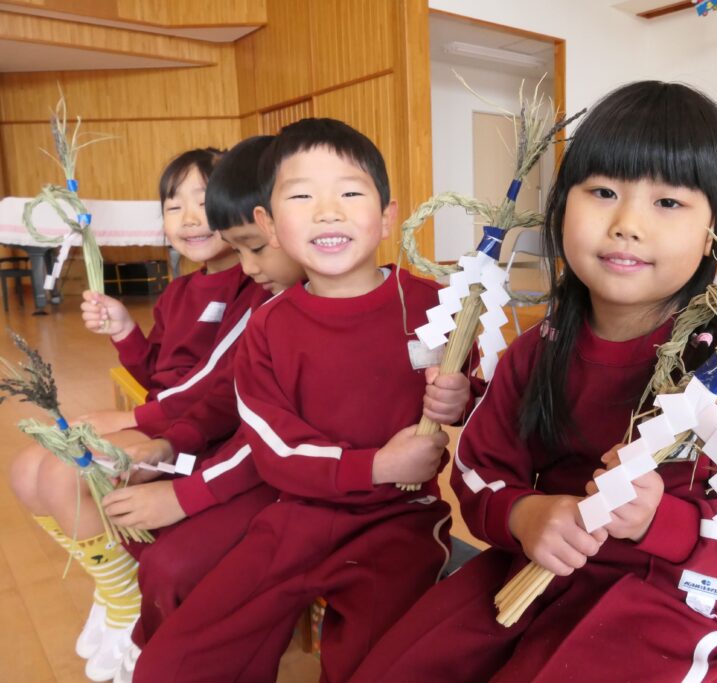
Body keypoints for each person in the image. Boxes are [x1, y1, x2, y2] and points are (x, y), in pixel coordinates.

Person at [350, 81, 717, 683]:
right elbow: (478, 469)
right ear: (562, 204)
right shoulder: (535, 353)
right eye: (603, 192)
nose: (626, 224)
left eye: (668, 203)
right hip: (542, 559)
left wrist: (662, 522)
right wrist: (525, 514)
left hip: (675, 590)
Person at [133, 117, 475, 683]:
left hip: (401, 520)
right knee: (177, 663)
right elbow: (274, 449)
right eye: (301, 196)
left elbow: (474, 400)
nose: (327, 211)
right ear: (270, 224)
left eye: (349, 191)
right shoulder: (266, 326)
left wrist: (460, 396)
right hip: (297, 514)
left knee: (375, 664)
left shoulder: (434, 305)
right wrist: (377, 464)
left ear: (387, 215)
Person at [6, 147, 254, 682]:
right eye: (173, 204)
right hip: (166, 418)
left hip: (201, 436)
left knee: (68, 469)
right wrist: (124, 330)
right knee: (26, 469)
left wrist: (138, 421)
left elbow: (214, 387)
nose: (189, 217)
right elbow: (158, 375)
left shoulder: (251, 286)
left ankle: (125, 600)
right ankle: (116, 586)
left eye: (204, 200)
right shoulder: (180, 291)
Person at [97, 134, 305, 682]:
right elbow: (215, 396)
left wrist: (158, 441)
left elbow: (235, 408)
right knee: (131, 513)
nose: (247, 265)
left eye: (252, 247)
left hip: (271, 475)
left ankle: (155, 636)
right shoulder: (185, 294)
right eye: (173, 204)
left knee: (172, 559)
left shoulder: (267, 301)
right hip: (216, 445)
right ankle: (139, 620)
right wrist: (168, 442)